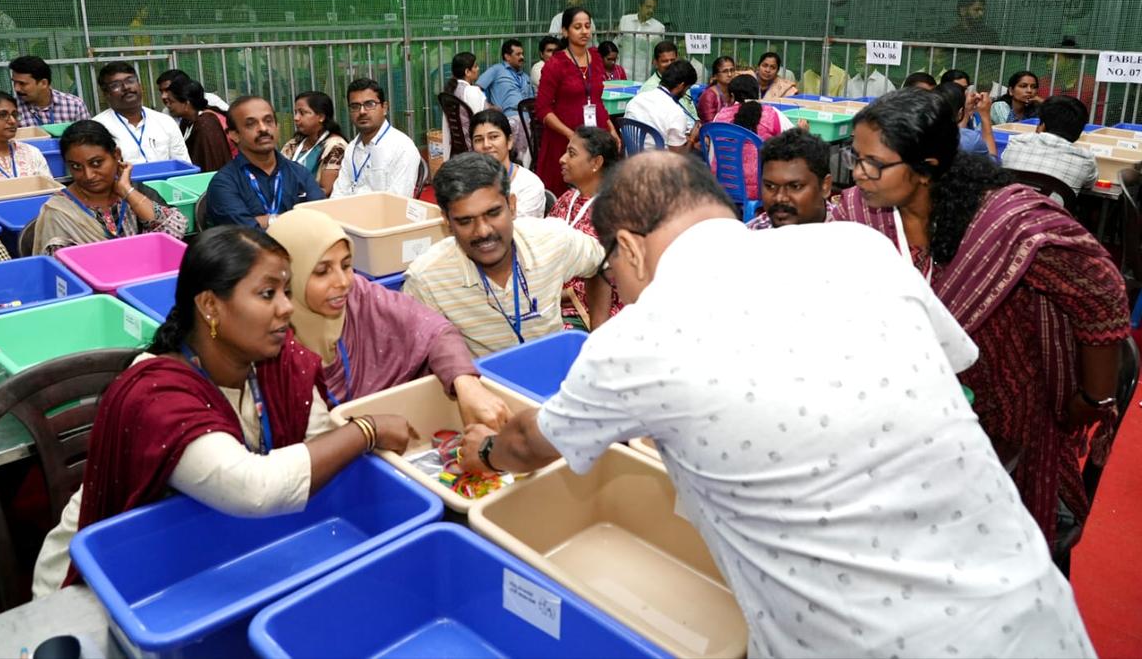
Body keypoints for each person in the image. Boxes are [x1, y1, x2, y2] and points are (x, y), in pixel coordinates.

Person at [456, 150, 1095, 658]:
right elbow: (947, 367)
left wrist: (480, 450)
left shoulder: (638, 338)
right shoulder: (859, 247)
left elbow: (525, 446)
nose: (621, 288)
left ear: (628, 247)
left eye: (617, 273)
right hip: (1033, 611)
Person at [31, 225, 418, 597]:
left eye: (286, 290)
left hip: (213, 552)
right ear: (210, 306)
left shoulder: (280, 360)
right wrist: (365, 430)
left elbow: (319, 443)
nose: (287, 308)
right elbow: (253, 488)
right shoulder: (156, 396)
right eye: (268, 294)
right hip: (104, 583)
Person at [833, 88, 1129, 552]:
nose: (858, 173)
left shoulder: (1009, 224)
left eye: (874, 163)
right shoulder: (856, 214)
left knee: (995, 540)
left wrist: (1095, 397)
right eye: (857, 157)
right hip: (902, 415)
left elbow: (1101, 294)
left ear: (927, 168)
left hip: (1001, 413)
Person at [266, 209, 511, 427]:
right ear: (287, 278)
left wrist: (466, 383)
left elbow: (435, 330)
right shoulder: (263, 337)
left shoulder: (359, 296)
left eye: (347, 265)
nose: (342, 282)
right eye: (322, 271)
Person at [402, 153, 606, 356]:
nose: (482, 231)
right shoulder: (425, 280)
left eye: (493, 213)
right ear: (447, 221)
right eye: (465, 221)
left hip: (552, 376)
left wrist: (599, 332)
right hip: (484, 385)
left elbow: (601, 264)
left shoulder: (552, 239)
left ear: (512, 205)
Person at [32, 120, 187, 255]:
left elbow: (175, 233)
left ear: (116, 155)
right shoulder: (59, 212)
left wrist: (126, 191)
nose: (88, 175)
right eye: (76, 167)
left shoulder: (135, 192)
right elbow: (62, 271)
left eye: (96, 163)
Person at [535, 7, 620, 195]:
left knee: (597, 189)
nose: (584, 31)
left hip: (595, 135)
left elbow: (597, 100)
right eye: (578, 27)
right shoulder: (555, 64)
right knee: (563, 193)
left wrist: (611, 128)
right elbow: (543, 109)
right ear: (565, 31)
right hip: (564, 139)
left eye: (587, 26)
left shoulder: (596, 58)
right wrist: (570, 135)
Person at [205, 97, 325, 228]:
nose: (263, 128)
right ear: (234, 135)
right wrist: (294, 219)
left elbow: (321, 219)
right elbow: (246, 233)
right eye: (251, 124)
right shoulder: (224, 183)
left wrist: (267, 221)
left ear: (277, 127)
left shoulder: (299, 173)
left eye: (268, 121)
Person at [548, 127, 622, 329]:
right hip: (553, 298)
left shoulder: (614, 210)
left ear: (596, 163)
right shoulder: (567, 198)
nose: (562, 159)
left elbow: (605, 280)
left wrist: (546, 291)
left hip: (591, 310)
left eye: (571, 154)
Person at [332, 79, 420, 198]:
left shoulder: (402, 147)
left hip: (385, 215)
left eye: (370, 104)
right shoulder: (352, 148)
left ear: (384, 108)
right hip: (349, 213)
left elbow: (398, 201)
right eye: (355, 106)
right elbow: (338, 193)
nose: (362, 111)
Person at [714, 74, 795, 203]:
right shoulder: (771, 114)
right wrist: (803, 129)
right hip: (761, 189)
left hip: (721, 185)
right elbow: (794, 139)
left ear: (732, 96)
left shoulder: (720, 116)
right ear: (757, 95)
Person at [92, 62, 191, 165]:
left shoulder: (165, 122)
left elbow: (184, 165)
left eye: (130, 81)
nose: (126, 87)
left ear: (140, 85)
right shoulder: (96, 129)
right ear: (106, 94)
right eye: (116, 85)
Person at [1001, 96, 1099, 193]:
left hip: (1008, 207)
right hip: (1053, 208)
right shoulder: (1086, 159)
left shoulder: (1016, 142)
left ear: (1042, 125)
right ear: (1079, 133)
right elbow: (1089, 185)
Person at [749, 128, 836, 230]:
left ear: (825, 186)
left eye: (795, 186)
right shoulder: (754, 235)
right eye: (770, 186)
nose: (779, 198)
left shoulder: (849, 238)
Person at [470, 110, 546, 219]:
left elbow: (520, 233)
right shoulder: (469, 180)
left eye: (493, 137)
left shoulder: (529, 185)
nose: (486, 145)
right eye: (478, 140)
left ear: (509, 141)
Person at [476, 39, 535, 165]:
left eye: (522, 54)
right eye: (518, 54)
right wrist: (489, 106)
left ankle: (524, 167)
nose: (522, 57)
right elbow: (477, 89)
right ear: (507, 57)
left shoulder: (525, 77)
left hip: (528, 118)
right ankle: (517, 164)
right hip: (508, 117)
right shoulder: (496, 70)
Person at [280, 91, 348, 196]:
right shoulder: (293, 144)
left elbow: (326, 190)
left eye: (302, 113)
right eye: (296, 112)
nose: (296, 118)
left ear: (321, 117)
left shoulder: (335, 146)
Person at [624, 60, 698, 153]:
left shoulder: (635, 100)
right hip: (659, 165)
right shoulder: (675, 112)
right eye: (687, 89)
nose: (685, 93)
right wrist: (692, 138)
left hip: (631, 161)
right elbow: (679, 156)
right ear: (681, 86)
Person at [164, 76, 234, 172]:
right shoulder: (187, 121)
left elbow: (212, 164)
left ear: (186, 104)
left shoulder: (206, 125)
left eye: (172, 102)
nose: (168, 106)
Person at [9, 55, 91, 127]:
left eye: (22, 84)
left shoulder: (74, 105)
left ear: (43, 83)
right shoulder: (11, 109)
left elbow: (88, 138)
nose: (16, 88)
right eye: (14, 82)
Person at [442, 52, 488, 162]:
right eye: (475, 66)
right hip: (475, 148)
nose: (478, 69)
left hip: (457, 149)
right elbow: (484, 121)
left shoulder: (449, 91)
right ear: (467, 72)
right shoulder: (472, 91)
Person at [936, 82, 995, 156]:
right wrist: (985, 115)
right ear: (960, 112)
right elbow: (992, 162)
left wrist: (966, 112)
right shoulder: (971, 140)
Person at [616, 0, 663, 81]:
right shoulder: (625, 20)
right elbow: (617, 42)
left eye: (653, 8)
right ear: (640, 6)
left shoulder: (659, 27)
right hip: (621, 69)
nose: (651, 10)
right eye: (648, 7)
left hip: (642, 73)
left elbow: (657, 51)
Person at [156, 68, 230, 114]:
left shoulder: (211, 100)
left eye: (167, 90)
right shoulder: (166, 113)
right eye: (161, 92)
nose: (163, 96)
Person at [696, 56, 736, 123]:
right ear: (715, 76)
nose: (729, 74)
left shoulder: (734, 92)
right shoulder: (709, 96)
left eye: (732, 70)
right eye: (725, 71)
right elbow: (710, 123)